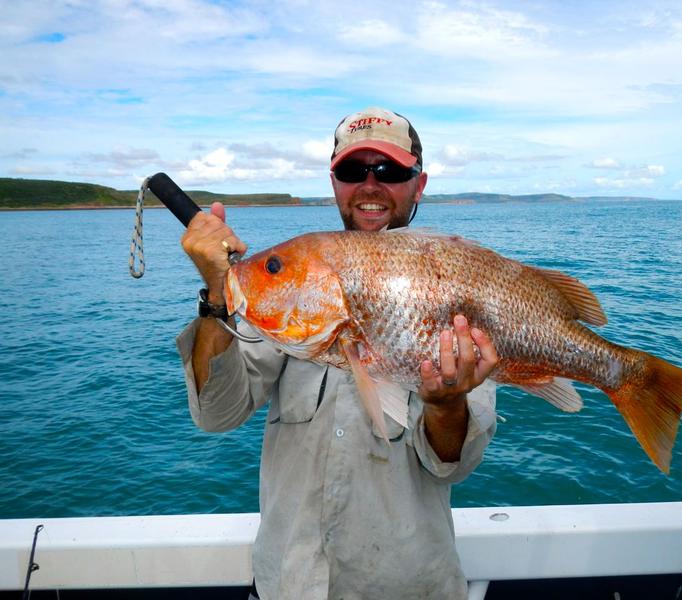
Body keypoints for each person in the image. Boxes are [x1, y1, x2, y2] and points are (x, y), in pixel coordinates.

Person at [176, 107, 498, 599]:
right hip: (289, 584)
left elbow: (452, 466)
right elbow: (216, 415)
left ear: (419, 184)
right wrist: (218, 296)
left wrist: (446, 404)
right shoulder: (300, 291)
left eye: (389, 171)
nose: (370, 185)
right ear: (334, 183)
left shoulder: (452, 288)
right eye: (352, 170)